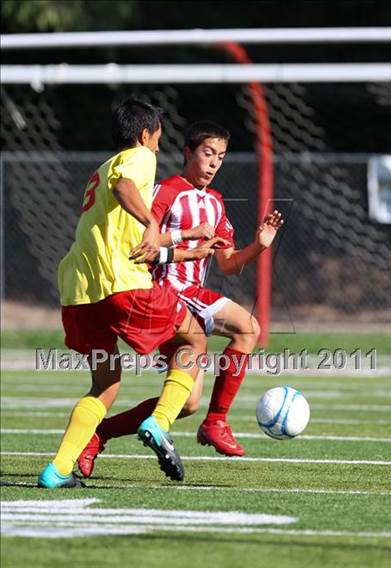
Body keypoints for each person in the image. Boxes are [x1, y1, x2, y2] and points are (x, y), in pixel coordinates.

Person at [77, 120, 282, 478]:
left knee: (185, 403)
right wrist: (186, 240)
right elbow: (146, 242)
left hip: (192, 299)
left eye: (220, 156)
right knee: (248, 328)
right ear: (188, 153)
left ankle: (100, 433)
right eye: (208, 153)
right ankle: (216, 422)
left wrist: (259, 247)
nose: (214, 162)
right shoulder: (166, 191)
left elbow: (229, 264)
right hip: (169, 293)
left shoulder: (216, 203)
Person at [37, 98, 216, 488]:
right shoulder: (137, 159)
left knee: (105, 384)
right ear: (143, 135)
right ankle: (159, 421)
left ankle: (58, 470)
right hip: (121, 285)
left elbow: (133, 237)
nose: (157, 148)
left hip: (81, 292)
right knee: (195, 339)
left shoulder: (99, 172)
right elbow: (126, 191)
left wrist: (185, 240)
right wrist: (152, 219)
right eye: (157, 140)